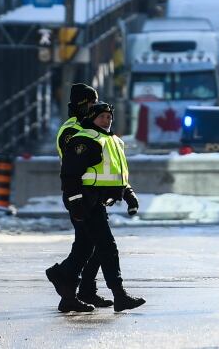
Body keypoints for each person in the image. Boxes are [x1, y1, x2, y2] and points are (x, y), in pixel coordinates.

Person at [46, 102, 145, 313]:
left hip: (96, 202)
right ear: (92, 118)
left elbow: (117, 174)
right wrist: (76, 203)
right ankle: (119, 295)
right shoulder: (84, 140)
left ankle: (66, 289)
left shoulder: (111, 140)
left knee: (85, 249)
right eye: (102, 117)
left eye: (109, 117)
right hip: (86, 202)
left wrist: (129, 195)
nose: (107, 120)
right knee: (106, 247)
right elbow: (70, 175)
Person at [53, 83, 118, 310]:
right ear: (80, 104)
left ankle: (76, 292)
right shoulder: (73, 129)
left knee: (88, 245)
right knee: (92, 245)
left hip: (93, 195)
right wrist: (76, 199)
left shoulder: (88, 126)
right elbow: (73, 167)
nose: (94, 106)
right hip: (80, 195)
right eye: (90, 103)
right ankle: (63, 277)